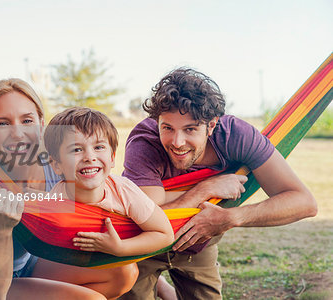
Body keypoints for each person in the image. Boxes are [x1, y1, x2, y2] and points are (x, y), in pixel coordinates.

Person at [119, 68, 317, 300]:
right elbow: (147, 217)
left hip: (199, 241)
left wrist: (232, 218)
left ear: (211, 126)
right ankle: (159, 284)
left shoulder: (236, 137)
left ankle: (162, 286)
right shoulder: (145, 142)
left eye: (190, 129)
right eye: (167, 128)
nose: (177, 142)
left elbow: (304, 202)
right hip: (143, 245)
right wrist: (206, 188)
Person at [0, 78, 137, 300]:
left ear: (41, 123)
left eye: (27, 120)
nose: (17, 133)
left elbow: (110, 202)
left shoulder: (57, 163)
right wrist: (1, 229)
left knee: (124, 272)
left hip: (30, 265)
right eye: (2, 124)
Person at [43, 107, 174, 257]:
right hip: (76, 262)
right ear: (56, 165)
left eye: (98, 147)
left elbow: (165, 234)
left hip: (118, 258)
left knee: (127, 271)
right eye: (76, 150)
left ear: (112, 158)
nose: (90, 157)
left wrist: (121, 248)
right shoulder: (56, 200)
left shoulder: (123, 191)